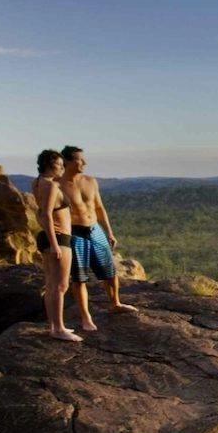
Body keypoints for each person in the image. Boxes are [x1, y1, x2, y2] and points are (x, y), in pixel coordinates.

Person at [59, 144, 137, 329]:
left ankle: (116, 303)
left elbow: (99, 208)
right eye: (79, 159)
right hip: (74, 233)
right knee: (79, 278)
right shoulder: (57, 185)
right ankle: (86, 318)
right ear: (67, 162)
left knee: (110, 271)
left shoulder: (90, 181)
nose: (84, 162)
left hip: (95, 229)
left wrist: (109, 231)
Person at [32, 149, 82, 343]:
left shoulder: (37, 182)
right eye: (60, 165)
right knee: (61, 285)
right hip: (58, 238)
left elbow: (41, 212)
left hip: (48, 237)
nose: (62, 168)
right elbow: (45, 214)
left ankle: (54, 325)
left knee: (51, 285)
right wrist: (54, 245)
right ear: (50, 166)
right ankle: (59, 329)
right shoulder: (51, 187)